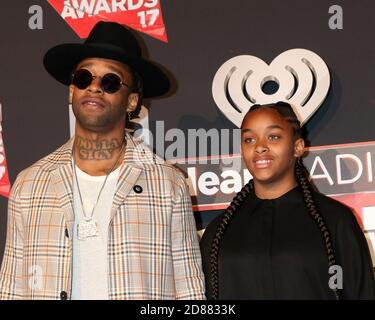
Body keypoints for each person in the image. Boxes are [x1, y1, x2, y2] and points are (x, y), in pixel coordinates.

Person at [0, 21, 205, 300]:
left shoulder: (168, 184)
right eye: (84, 78)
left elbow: (190, 288)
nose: (94, 88)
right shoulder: (29, 184)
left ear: (132, 101)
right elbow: (11, 289)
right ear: (71, 90)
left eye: (110, 82)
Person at [200, 101, 375, 300]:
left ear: (298, 147)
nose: (259, 147)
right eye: (249, 139)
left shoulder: (336, 221)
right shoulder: (218, 232)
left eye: (273, 137)